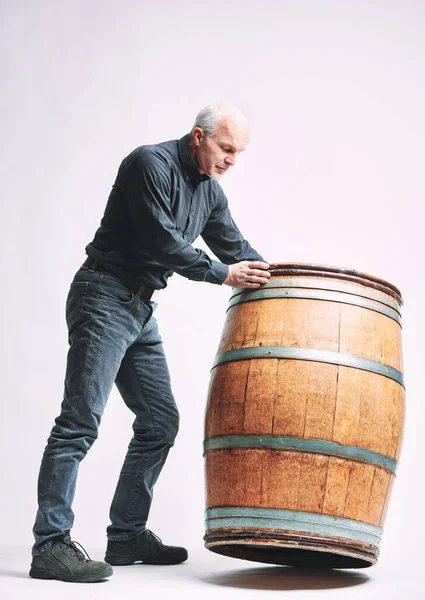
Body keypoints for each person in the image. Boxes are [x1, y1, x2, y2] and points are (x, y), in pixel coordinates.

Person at [30, 102, 270, 583]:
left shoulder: (211, 194)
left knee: (161, 422)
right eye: (226, 148)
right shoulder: (149, 164)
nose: (231, 161)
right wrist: (224, 275)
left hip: (139, 309)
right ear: (198, 137)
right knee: (79, 423)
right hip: (103, 295)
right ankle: (50, 546)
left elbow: (238, 249)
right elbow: (164, 243)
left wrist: (287, 282)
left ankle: (125, 535)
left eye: (239, 153)